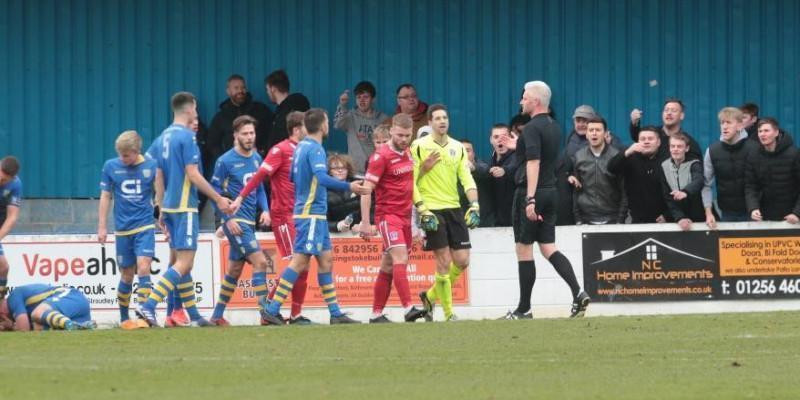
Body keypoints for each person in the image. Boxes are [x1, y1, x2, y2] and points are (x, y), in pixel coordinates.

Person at [258, 108, 371, 325]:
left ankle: (335, 313)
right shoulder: (316, 149)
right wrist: (350, 186)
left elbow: (292, 176)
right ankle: (271, 309)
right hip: (310, 214)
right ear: (322, 125)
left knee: (326, 261)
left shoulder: (300, 147)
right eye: (327, 122)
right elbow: (321, 177)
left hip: (312, 213)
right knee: (300, 261)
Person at [138, 92, 233, 327]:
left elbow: (156, 172)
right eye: (196, 110)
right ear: (190, 110)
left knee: (178, 262)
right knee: (184, 262)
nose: (197, 115)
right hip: (185, 205)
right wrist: (217, 198)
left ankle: (192, 315)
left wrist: (160, 205)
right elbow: (193, 174)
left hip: (169, 206)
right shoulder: (188, 137)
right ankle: (148, 305)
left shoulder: (162, 137)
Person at [502, 81, 589, 320]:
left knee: (524, 248)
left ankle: (524, 309)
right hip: (552, 191)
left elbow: (534, 162)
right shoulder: (554, 126)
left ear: (536, 101)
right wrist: (517, 144)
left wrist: (529, 199)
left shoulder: (530, 128)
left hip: (532, 192)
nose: (521, 101)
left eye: (525, 97)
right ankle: (578, 292)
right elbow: (540, 151)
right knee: (548, 247)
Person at [232, 111, 313, 325]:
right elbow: (260, 176)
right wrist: (241, 196)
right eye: (307, 126)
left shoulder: (306, 149)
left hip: (302, 215)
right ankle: (268, 309)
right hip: (285, 216)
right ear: (297, 129)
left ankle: (295, 315)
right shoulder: (280, 150)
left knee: (304, 265)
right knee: (296, 263)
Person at [412, 104, 480, 322]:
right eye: (437, 118)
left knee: (462, 260)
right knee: (442, 261)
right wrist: (422, 209)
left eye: (445, 118)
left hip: (454, 208)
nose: (442, 121)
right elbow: (410, 182)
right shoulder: (419, 146)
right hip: (431, 208)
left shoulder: (458, 147)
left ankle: (430, 296)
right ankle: (449, 314)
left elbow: (466, 178)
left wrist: (475, 204)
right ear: (429, 122)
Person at [357, 113, 426, 323]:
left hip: (405, 217)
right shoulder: (381, 156)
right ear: (392, 130)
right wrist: (366, 222)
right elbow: (366, 189)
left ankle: (376, 314)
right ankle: (408, 308)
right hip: (388, 216)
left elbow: (409, 183)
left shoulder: (409, 153)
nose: (404, 139)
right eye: (400, 135)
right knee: (400, 259)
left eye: (407, 135)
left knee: (387, 266)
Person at [208, 115, 272, 326]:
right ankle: (266, 314)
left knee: (235, 270)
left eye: (251, 133)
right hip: (236, 223)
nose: (249, 137)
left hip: (249, 223)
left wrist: (266, 210)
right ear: (235, 135)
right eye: (244, 133)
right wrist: (227, 219)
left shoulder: (256, 158)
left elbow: (260, 187)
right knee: (261, 262)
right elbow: (214, 192)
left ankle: (217, 316)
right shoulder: (225, 161)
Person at [97, 131, 157, 330]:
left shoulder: (151, 166)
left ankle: (143, 315)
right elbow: (105, 196)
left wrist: (162, 214)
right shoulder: (110, 166)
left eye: (126, 155)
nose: (123, 159)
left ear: (136, 151)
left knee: (144, 266)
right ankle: (124, 318)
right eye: (121, 155)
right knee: (127, 275)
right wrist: (102, 226)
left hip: (145, 225)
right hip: (123, 229)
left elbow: (160, 194)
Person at [566, 117, 627, 225]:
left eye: (598, 130)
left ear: (605, 134)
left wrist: (620, 220)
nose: (594, 133)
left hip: (612, 217)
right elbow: (576, 192)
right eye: (591, 130)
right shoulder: (579, 157)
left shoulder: (616, 157)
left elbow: (624, 191)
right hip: (586, 218)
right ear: (586, 134)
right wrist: (578, 219)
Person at [702, 107, 756, 228]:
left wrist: (756, 208)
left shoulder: (755, 148)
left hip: (755, 213)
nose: (724, 126)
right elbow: (706, 184)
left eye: (729, 122)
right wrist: (708, 212)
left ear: (740, 126)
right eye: (722, 123)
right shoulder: (712, 151)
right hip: (726, 213)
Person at [608, 127, 670, 223]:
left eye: (650, 139)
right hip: (636, 219)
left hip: (664, 220)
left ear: (658, 142)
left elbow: (675, 190)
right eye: (643, 139)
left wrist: (668, 215)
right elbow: (611, 168)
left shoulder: (668, 160)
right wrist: (627, 152)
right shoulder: (630, 157)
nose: (646, 142)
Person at [745, 118, 800, 223]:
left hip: (791, 217)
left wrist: (797, 213)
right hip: (764, 217)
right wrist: (753, 208)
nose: (762, 134)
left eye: (766, 131)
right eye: (760, 131)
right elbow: (750, 186)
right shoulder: (753, 155)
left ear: (776, 133)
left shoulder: (794, 154)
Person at [207, 74, 274, 161]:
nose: (240, 91)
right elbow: (212, 142)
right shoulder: (221, 116)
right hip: (233, 166)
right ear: (228, 91)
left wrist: (263, 151)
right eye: (236, 88)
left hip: (258, 162)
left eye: (243, 87)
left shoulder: (260, 110)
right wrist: (224, 159)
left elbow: (272, 132)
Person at [334, 81, 389, 174]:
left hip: (378, 170)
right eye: (358, 97)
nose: (361, 100)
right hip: (355, 171)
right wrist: (342, 105)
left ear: (373, 99)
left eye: (365, 97)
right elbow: (337, 124)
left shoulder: (382, 118)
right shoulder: (350, 116)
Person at [630, 98, 702, 160]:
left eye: (673, 110)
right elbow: (637, 137)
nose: (669, 113)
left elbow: (696, 169)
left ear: (682, 116)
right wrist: (634, 123)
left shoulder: (689, 143)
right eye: (666, 110)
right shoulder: (652, 134)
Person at [0, 285, 95, 331]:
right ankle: (79, 325)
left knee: (37, 313)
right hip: (75, 313)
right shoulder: (22, 310)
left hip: (71, 296)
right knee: (38, 327)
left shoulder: (13, 297)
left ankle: (68, 324)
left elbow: (24, 329)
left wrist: (11, 327)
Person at [660, 135, 705, 231]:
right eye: (672, 146)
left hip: (699, 217)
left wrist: (685, 192)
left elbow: (699, 181)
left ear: (687, 148)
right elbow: (667, 197)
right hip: (678, 219)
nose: (675, 149)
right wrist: (680, 218)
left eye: (679, 146)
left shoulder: (694, 164)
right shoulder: (664, 166)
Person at [265, 69, 310, 150]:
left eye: (267, 89)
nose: (267, 93)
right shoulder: (279, 112)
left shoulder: (288, 112)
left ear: (273, 88)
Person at [0, 156, 22, 300]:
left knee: (3, 268)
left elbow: (12, 217)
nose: (1, 182)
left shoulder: (15, 184)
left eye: (4, 181)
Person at [488, 124, 518, 227]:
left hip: (514, 219)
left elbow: (515, 166)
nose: (500, 140)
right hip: (497, 220)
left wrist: (504, 171)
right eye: (496, 137)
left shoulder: (517, 156)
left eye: (504, 137)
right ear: (491, 140)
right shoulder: (492, 160)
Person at [460, 139, 494, 226]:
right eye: (461, 151)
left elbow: (486, 170)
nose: (464, 154)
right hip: (460, 221)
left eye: (467, 150)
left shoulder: (481, 165)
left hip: (483, 221)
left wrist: (473, 168)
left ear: (473, 153)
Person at [326, 154, 361, 233]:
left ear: (348, 170)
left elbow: (371, 209)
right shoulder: (323, 191)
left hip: (360, 230)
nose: (340, 170)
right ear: (330, 171)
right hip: (335, 234)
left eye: (343, 168)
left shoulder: (359, 184)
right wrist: (337, 226)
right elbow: (321, 221)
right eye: (336, 168)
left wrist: (364, 224)